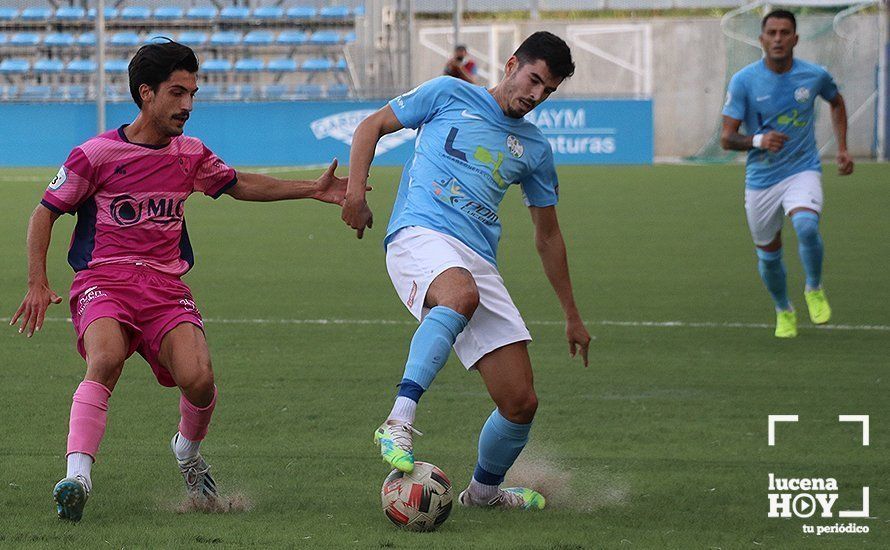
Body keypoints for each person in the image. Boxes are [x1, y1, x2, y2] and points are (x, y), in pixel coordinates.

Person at [9, 40, 350, 522]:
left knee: (200, 380)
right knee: (105, 358)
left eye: (192, 92)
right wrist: (37, 282)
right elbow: (44, 213)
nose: (188, 105)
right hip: (103, 282)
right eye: (177, 93)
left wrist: (311, 190)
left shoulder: (189, 153)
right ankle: (77, 476)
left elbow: (238, 184)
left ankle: (187, 452)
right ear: (146, 94)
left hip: (166, 290)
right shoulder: (95, 154)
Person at [342, 31, 591, 511]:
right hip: (419, 234)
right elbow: (370, 126)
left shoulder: (535, 150)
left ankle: (484, 494)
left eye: (548, 90)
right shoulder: (446, 93)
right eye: (534, 80)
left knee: (520, 403)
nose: (536, 96)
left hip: (477, 260)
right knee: (459, 294)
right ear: (511, 64)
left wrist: (572, 314)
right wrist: (356, 193)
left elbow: (548, 235)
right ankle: (398, 419)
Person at [721, 9, 853, 338]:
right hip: (761, 179)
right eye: (772, 33)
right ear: (761, 39)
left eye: (784, 33)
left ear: (796, 38)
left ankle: (814, 288)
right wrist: (758, 140)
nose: (778, 39)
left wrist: (842, 148)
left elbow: (836, 102)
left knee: (807, 226)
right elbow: (726, 138)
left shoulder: (814, 76)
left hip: (802, 169)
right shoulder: (744, 81)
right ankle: (783, 309)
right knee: (769, 256)